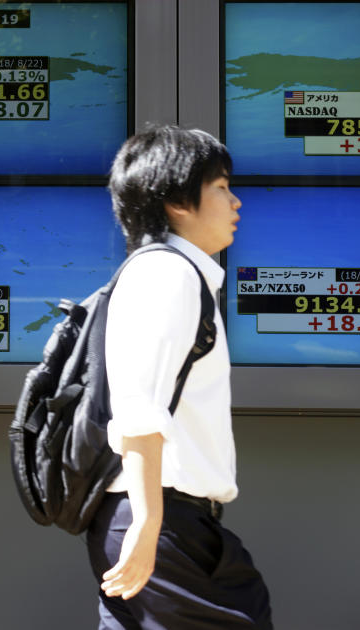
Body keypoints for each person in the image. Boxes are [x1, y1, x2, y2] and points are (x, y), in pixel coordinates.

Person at [86, 123, 272, 629]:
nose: (236, 202)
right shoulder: (166, 274)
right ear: (177, 201)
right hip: (163, 518)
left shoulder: (173, 274)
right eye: (221, 186)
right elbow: (140, 408)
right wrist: (148, 524)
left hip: (176, 522)